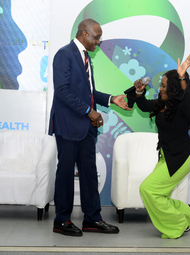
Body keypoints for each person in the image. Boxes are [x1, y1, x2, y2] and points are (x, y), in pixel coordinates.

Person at [48, 19, 131, 237]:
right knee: (65, 174)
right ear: (84, 34)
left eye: (99, 37)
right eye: (96, 37)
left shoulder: (86, 57)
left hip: (85, 128)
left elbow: (89, 92)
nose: (99, 41)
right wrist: (89, 111)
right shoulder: (64, 54)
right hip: (67, 126)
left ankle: (92, 219)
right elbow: (62, 92)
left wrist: (112, 99)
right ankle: (62, 221)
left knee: (89, 174)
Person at [126, 53, 190, 239]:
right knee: (158, 194)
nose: (161, 88)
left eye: (164, 85)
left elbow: (184, 95)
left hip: (181, 156)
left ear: (175, 87)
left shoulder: (182, 105)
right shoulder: (162, 104)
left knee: (148, 189)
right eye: (161, 85)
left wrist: (183, 76)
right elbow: (142, 105)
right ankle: (187, 212)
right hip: (168, 155)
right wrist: (138, 91)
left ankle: (178, 224)